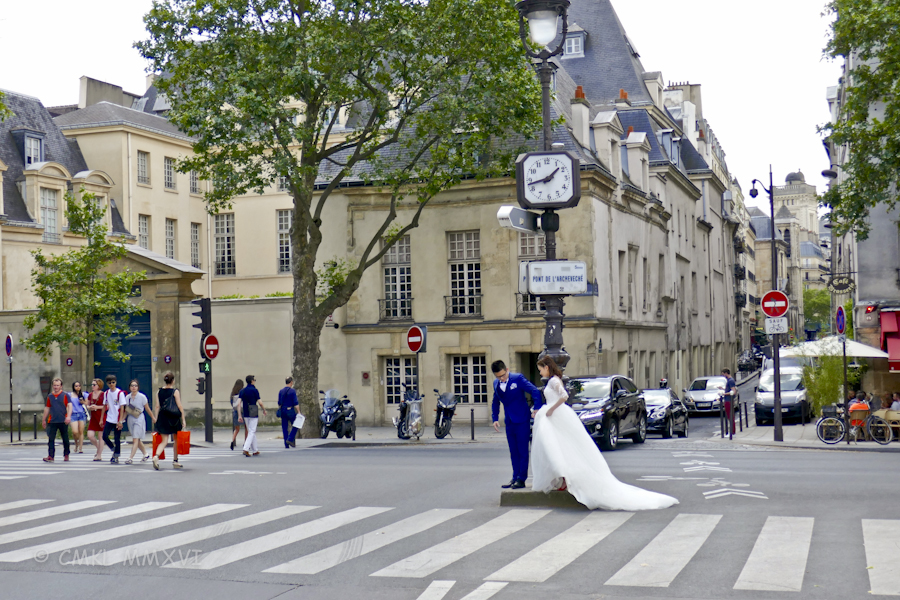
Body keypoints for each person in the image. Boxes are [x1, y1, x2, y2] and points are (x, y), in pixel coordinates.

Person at [531, 356, 679, 510]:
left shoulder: (554, 381)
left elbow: (564, 396)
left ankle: (564, 479)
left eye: (540, 369)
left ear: (546, 367)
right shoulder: (553, 381)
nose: (540, 373)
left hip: (556, 414)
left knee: (561, 447)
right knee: (559, 448)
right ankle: (562, 479)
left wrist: (552, 409)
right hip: (555, 415)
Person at [491, 360, 543, 489]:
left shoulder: (518, 378)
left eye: (503, 375)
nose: (501, 379)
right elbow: (495, 401)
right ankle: (515, 477)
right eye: (498, 377)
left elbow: (534, 391)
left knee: (522, 451)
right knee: (513, 451)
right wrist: (495, 418)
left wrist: (537, 408)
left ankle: (521, 478)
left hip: (522, 419)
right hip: (509, 421)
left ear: (507, 370)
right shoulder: (496, 383)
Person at [152, 371, 186, 470]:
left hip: (163, 417)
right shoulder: (175, 391)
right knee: (176, 440)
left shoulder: (159, 392)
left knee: (164, 441)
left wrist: (156, 418)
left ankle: (156, 456)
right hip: (173, 418)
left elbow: (157, 406)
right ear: (173, 381)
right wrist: (183, 419)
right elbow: (179, 406)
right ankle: (175, 461)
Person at [42, 378, 72, 462]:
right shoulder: (50, 396)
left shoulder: (65, 395)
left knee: (65, 438)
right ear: (52, 386)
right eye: (54, 385)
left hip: (63, 420)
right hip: (52, 420)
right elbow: (47, 407)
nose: (56, 387)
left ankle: (66, 454)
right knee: (51, 439)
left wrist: (68, 416)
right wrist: (44, 419)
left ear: (61, 386)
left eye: (58, 385)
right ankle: (51, 456)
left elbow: (69, 405)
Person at [237, 375, 268, 457]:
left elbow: (238, 403)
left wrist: (239, 415)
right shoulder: (255, 390)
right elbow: (260, 402)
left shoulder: (242, 391)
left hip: (246, 413)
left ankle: (255, 450)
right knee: (252, 431)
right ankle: (246, 448)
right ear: (252, 381)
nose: (255, 381)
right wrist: (264, 409)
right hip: (253, 412)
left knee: (251, 430)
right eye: (254, 380)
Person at [124, 379, 154, 464]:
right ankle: (145, 454)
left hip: (139, 418)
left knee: (135, 439)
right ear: (129, 387)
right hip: (130, 418)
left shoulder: (142, 397)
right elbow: (126, 410)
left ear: (138, 387)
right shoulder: (127, 397)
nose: (134, 387)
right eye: (132, 386)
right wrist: (121, 420)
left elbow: (147, 408)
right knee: (136, 438)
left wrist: (153, 417)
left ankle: (130, 457)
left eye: (135, 386)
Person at [102, 375, 126, 464]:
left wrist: (120, 421)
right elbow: (104, 405)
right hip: (109, 417)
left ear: (115, 382)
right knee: (104, 436)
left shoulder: (120, 393)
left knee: (117, 438)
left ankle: (116, 456)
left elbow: (122, 407)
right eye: (109, 383)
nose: (111, 384)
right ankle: (114, 449)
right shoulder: (106, 393)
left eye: (113, 382)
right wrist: (101, 419)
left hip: (117, 418)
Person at [85, 379, 106, 461]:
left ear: (99, 386)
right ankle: (98, 448)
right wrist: (89, 407)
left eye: (94, 385)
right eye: (92, 384)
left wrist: (97, 407)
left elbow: (107, 406)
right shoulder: (90, 394)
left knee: (101, 436)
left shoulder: (103, 394)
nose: (92, 386)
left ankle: (99, 455)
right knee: (90, 435)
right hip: (93, 417)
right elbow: (87, 404)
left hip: (101, 416)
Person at [278, 376, 299, 448]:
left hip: (283, 410)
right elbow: (295, 403)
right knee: (296, 424)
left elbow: (279, 402)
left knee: (284, 427)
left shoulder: (281, 391)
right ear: (291, 382)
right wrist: (299, 411)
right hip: (290, 410)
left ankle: (286, 444)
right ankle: (290, 438)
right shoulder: (292, 391)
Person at [68, 381, 88, 454]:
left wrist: (83, 402)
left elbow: (87, 403)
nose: (78, 387)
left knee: (81, 431)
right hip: (73, 414)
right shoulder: (70, 395)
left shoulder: (83, 394)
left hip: (81, 413)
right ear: (73, 387)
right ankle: (76, 443)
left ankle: (80, 447)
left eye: (79, 386)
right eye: (76, 386)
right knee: (75, 431)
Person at [229, 379, 246, 451]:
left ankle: (232, 441)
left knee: (236, 429)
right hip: (243, 411)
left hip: (235, 412)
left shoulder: (233, 393)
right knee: (246, 428)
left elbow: (231, 403)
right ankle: (245, 443)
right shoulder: (243, 392)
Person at [721, 368, 737, 435]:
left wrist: (724, 394)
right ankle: (731, 432)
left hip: (729, 400)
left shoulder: (730, 380)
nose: (723, 375)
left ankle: (732, 433)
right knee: (729, 416)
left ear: (726, 373)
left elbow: (733, 391)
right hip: (728, 400)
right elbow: (729, 389)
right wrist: (723, 389)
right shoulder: (729, 380)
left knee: (730, 416)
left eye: (723, 374)